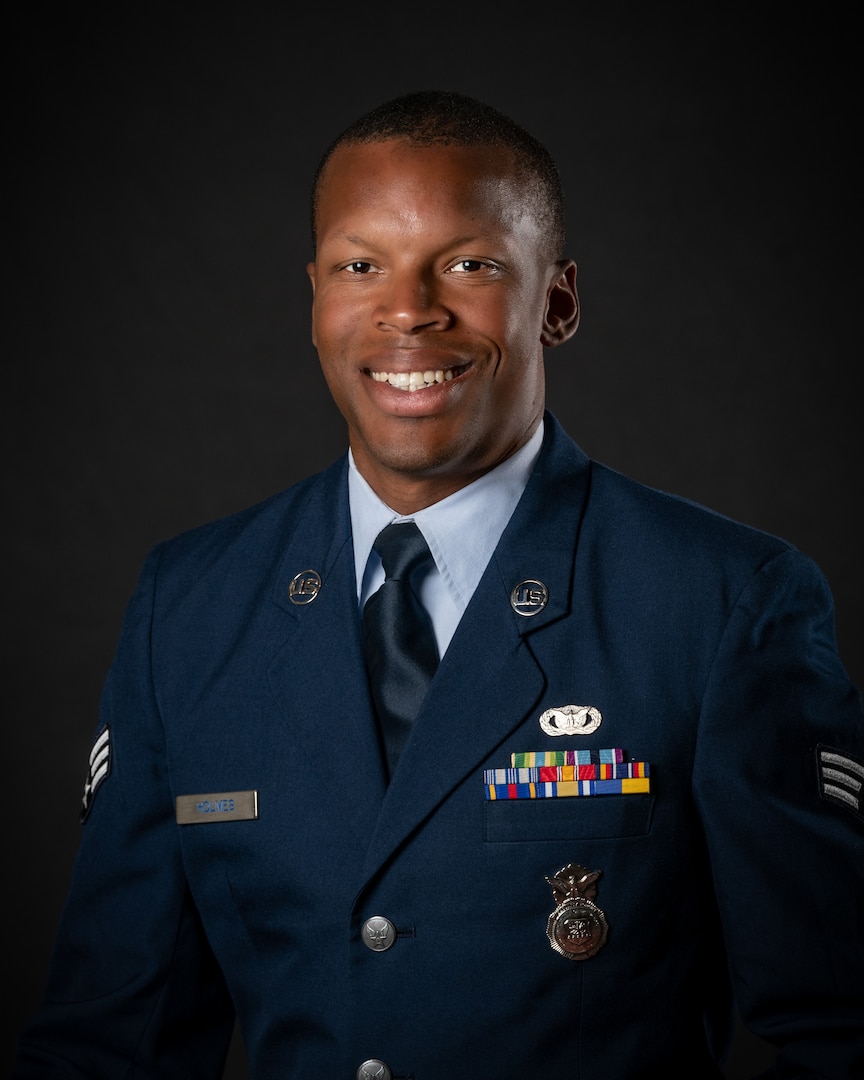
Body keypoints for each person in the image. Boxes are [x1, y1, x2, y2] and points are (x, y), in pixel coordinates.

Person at [15, 90, 864, 1080]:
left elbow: (842, 1027)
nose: (407, 307)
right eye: (360, 265)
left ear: (557, 301)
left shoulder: (721, 603)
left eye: (469, 263)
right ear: (317, 297)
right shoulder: (191, 609)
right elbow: (111, 1046)